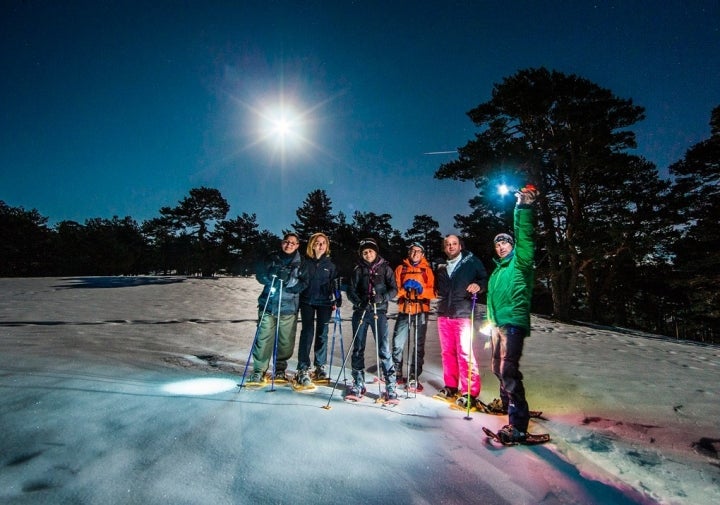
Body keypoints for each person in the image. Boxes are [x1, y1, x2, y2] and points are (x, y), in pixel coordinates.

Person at [486, 185, 540, 444]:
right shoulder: (497, 271)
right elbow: (491, 300)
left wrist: (523, 207)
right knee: (496, 367)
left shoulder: (521, 261)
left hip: (514, 323)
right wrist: (491, 322)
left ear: (512, 244)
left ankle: (518, 424)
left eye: (505, 242)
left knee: (508, 371)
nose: (501, 246)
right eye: (497, 244)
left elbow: (525, 235)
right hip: (497, 325)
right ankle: (507, 403)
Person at [434, 234, 487, 408]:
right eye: (447, 244)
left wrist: (479, 286)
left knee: (465, 353)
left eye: (454, 243)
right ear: (444, 247)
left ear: (460, 246)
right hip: (444, 313)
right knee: (447, 352)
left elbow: (484, 278)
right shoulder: (441, 265)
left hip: (462, 313)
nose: (451, 247)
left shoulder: (471, 261)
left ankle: (470, 392)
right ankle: (450, 386)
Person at [248, 232, 308, 384]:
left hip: (288, 308)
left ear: (297, 245)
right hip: (268, 305)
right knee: (263, 339)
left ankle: (280, 369)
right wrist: (270, 275)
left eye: (292, 243)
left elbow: (303, 284)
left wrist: (289, 280)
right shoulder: (272, 258)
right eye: (286, 242)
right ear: (282, 243)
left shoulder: (301, 263)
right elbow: (260, 275)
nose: (289, 245)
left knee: (285, 342)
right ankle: (258, 371)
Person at [346, 238, 398, 400]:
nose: (368, 254)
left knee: (383, 348)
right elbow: (350, 290)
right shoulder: (358, 269)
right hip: (361, 311)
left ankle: (390, 385)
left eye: (370, 251)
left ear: (376, 251)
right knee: (358, 347)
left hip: (379, 312)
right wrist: (359, 301)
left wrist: (381, 298)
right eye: (364, 252)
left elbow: (394, 289)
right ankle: (358, 382)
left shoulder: (385, 268)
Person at [296, 232, 341, 387]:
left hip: (325, 303)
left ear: (327, 246)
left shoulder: (330, 265)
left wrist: (336, 296)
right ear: (312, 244)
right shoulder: (304, 262)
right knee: (307, 332)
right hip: (307, 301)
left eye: (323, 243)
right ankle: (303, 367)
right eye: (317, 242)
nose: (320, 245)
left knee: (322, 333)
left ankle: (319, 366)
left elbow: (335, 284)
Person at [391, 242, 436, 392]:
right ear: (409, 253)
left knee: (418, 345)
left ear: (422, 254)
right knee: (397, 343)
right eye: (412, 251)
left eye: (418, 251)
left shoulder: (427, 270)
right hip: (404, 309)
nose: (415, 253)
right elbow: (395, 291)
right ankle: (396, 372)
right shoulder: (400, 269)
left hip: (421, 310)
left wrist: (421, 290)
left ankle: (413, 375)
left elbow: (433, 292)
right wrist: (404, 289)